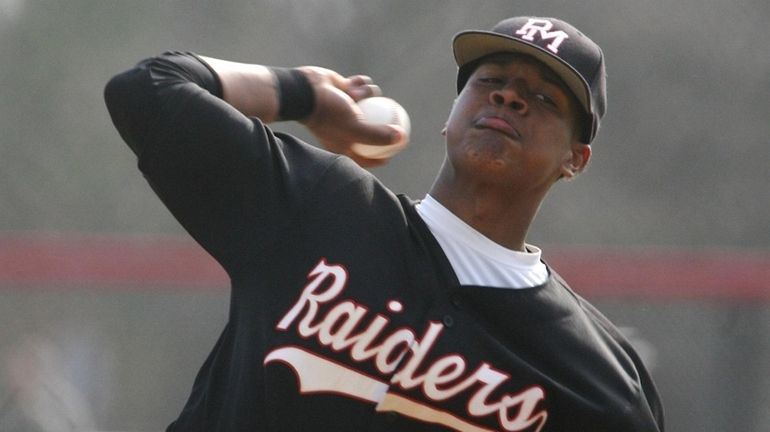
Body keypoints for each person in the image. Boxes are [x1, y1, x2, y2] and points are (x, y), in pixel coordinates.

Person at [105, 15, 664, 432]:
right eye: (489, 79)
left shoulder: (599, 379)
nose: (508, 96)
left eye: (542, 98)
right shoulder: (320, 209)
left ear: (576, 158)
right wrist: (306, 95)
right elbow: (149, 90)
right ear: (450, 117)